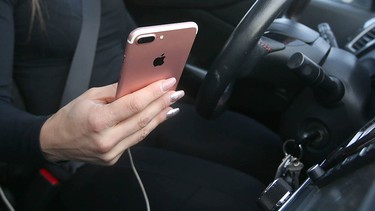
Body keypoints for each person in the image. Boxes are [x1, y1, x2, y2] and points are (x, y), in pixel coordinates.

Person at [0, 0, 283, 210]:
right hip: (82, 154)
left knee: (272, 153)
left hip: (151, 113)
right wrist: (51, 138)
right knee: (247, 198)